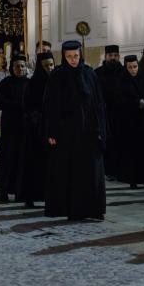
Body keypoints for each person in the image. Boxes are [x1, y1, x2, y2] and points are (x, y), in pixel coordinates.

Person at [44, 40, 107, 220]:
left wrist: (101, 129)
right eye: (69, 57)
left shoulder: (89, 74)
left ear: (81, 55)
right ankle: (73, 210)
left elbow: (98, 104)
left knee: (92, 173)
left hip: (89, 133)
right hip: (67, 135)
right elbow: (50, 106)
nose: (73, 60)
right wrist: (51, 132)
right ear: (64, 56)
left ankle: (93, 209)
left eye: (76, 56)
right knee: (71, 174)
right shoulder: (57, 76)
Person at [18, 50, 55, 207]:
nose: (50, 68)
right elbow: (28, 106)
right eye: (46, 66)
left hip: (52, 130)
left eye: (52, 65)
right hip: (36, 131)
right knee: (34, 165)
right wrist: (38, 119)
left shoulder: (57, 82)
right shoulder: (32, 84)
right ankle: (31, 197)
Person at [0, 55, 30, 202]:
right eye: (17, 66)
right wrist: (17, 105)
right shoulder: (5, 83)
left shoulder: (30, 83)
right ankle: (4, 191)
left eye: (22, 66)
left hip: (25, 127)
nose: (20, 69)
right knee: (7, 159)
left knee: (22, 160)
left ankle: (20, 191)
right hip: (10, 127)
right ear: (11, 68)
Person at [117, 55, 144, 189]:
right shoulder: (122, 82)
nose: (133, 70)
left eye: (135, 66)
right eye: (130, 67)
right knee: (132, 154)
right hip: (130, 124)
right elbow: (121, 101)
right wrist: (136, 103)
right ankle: (133, 180)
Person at [95, 44, 123, 180]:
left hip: (121, 114)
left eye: (115, 56)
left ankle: (120, 170)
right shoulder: (98, 73)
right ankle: (109, 171)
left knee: (121, 143)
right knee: (108, 143)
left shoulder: (124, 71)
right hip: (105, 113)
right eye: (110, 56)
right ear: (105, 57)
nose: (113, 58)